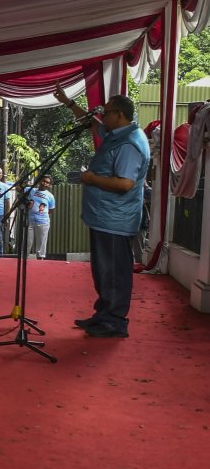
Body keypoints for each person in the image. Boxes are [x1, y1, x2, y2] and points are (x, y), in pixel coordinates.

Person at [55, 90, 151, 338]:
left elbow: (125, 184)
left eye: (106, 111)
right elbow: (93, 126)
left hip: (115, 220)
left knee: (113, 272)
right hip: (105, 217)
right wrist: (69, 103)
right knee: (103, 270)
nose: (101, 115)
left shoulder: (130, 144)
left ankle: (114, 322)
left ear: (119, 115)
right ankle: (104, 315)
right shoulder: (118, 134)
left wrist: (91, 178)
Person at [23, 175, 56, 259]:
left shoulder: (50, 196)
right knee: (27, 242)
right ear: (40, 181)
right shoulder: (31, 190)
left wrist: (40, 214)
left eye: (47, 182)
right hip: (29, 221)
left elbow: (51, 210)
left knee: (41, 244)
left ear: (49, 185)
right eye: (43, 181)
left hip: (43, 222)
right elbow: (18, 189)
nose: (44, 183)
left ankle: (40, 261)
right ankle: (24, 260)